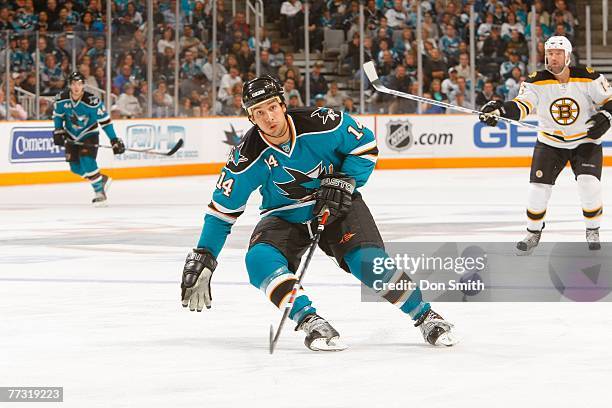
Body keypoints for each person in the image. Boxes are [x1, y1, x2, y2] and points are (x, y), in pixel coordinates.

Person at [179, 75, 457, 351]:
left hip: (338, 207)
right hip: (286, 216)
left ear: (283, 105)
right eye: (259, 112)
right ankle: (310, 320)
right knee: (258, 261)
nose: (269, 117)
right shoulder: (246, 157)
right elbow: (221, 212)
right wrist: (205, 253)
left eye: (272, 107)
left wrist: (346, 179)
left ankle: (425, 316)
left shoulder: (323, 122)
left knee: (369, 263)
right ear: (251, 118)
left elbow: (366, 146)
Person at [479, 36, 612, 253]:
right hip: (550, 142)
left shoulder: (589, 77)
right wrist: (500, 111)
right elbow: (521, 106)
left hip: (585, 141)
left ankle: (592, 229)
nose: (553, 57)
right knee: (537, 190)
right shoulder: (535, 81)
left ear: (568, 56)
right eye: (549, 53)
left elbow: (610, 101)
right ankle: (533, 232)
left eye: (558, 53)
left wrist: (607, 115)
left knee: (589, 185)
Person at [52, 72, 125, 206]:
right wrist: (58, 130)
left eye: (79, 84)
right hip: (71, 136)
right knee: (75, 168)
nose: (76, 87)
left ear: (83, 85)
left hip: (89, 134)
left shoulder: (92, 101)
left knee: (87, 161)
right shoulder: (61, 99)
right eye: (73, 84)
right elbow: (58, 116)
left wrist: (113, 139)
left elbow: (105, 122)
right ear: (69, 85)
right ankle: (100, 179)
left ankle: (99, 193)